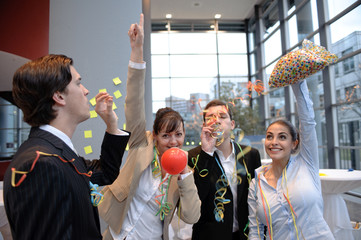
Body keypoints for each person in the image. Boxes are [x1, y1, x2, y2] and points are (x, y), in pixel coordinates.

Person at [3, 35, 132, 240]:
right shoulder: (40, 164)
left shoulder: (56, 153)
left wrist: (111, 125)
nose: (86, 91)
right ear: (59, 96)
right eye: (79, 83)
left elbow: (105, 173)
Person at [98, 14, 201, 240]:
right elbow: (134, 102)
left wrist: (184, 174)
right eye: (166, 135)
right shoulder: (140, 143)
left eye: (178, 135)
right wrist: (137, 50)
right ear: (154, 136)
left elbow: (192, 216)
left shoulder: (184, 171)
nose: (173, 141)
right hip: (117, 235)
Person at [247, 80, 334, 239]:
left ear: (294, 144)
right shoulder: (256, 183)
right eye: (269, 136)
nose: (274, 142)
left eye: (282, 137)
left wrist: (298, 82)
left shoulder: (306, 165)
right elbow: (255, 229)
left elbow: (307, 122)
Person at [188, 99, 262, 240]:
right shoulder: (193, 157)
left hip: (244, 236)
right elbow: (195, 199)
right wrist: (207, 153)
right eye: (210, 118)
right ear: (204, 126)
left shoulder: (250, 155)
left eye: (222, 117)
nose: (217, 121)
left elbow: (258, 200)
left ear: (232, 124)